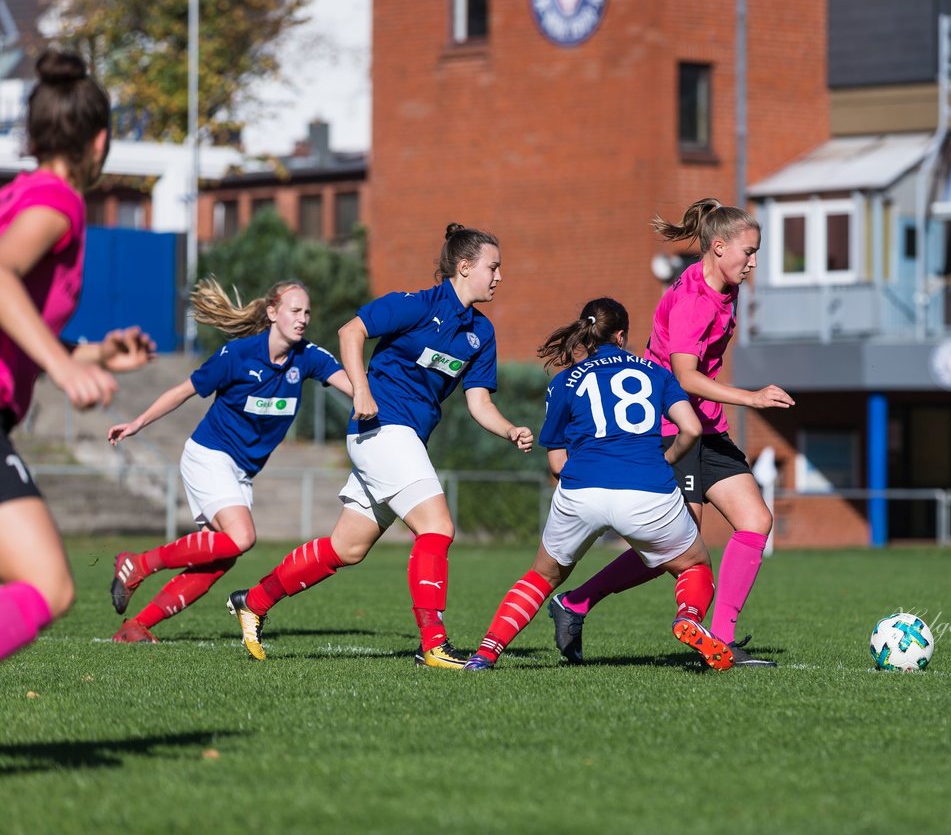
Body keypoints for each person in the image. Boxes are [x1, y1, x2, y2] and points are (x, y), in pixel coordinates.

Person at [225, 223, 533, 667]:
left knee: (346, 548)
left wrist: (508, 430)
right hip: (381, 428)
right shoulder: (415, 306)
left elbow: (479, 401)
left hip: (404, 439)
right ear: (464, 267)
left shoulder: (480, 334)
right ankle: (434, 644)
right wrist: (361, 389)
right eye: (493, 267)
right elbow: (350, 332)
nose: (499, 276)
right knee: (438, 527)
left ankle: (252, 602)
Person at [547, 197, 794, 668]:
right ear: (719, 248)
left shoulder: (724, 282)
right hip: (670, 427)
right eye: (748, 252)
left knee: (755, 522)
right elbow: (683, 378)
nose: (754, 262)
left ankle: (719, 638)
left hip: (706, 427)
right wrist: (754, 397)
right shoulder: (691, 302)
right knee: (678, 545)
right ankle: (575, 602)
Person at [464, 298, 731, 671]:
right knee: (693, 566)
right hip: (647, 489)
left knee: (541, 576)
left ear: (586, 333)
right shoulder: (655, 372)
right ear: (621, 335)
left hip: (582, 489)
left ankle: (485, 654)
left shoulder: (564, 382)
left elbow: (557, 462)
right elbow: (691, 428)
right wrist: (668, 459)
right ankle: (688, 616)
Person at [0, 49, 157, 663]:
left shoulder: (20, 194)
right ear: (100, 142)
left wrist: (90, 352)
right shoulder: (58, 201)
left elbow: (18, 321)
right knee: (48, 584)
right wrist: (65, 370)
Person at [106, 278, 352, 642]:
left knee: (220, 559)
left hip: (241, 472)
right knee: (241, 537)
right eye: (295, 310)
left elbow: (354, 386)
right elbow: (183, 391)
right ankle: (139, 564)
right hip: (209, 455)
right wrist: (138, 423)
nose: (303, 319)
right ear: (272, 312)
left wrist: (382, 400)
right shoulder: (238, 355)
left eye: (307, 312)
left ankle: (137, 626)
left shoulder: (309, 357)